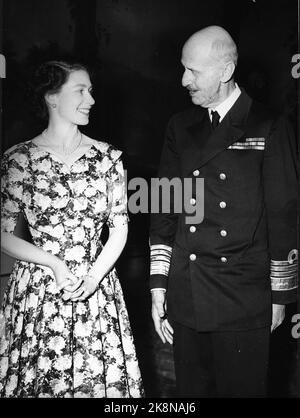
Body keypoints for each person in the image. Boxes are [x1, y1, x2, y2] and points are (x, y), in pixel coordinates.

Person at [150, 26, 298, 398]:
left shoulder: (269, 124)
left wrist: (280, 296)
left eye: (193, 71)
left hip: (242, 295)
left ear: (226, 70)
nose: (184, 80)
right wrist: (157, 283)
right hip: (187, 291)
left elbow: (284, 212)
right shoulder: (179, 126)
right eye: (183, 69)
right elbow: (166, 207)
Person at [0, 60, 144, 398]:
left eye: (91, 91)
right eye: (80, 90)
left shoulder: (109, 158)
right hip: (38, 293)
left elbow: (119, 229)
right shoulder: (18, 160)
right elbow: (3, 233)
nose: (91, 99)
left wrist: (93, 277)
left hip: (96, 288)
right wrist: (54, 263)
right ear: (52, 97)